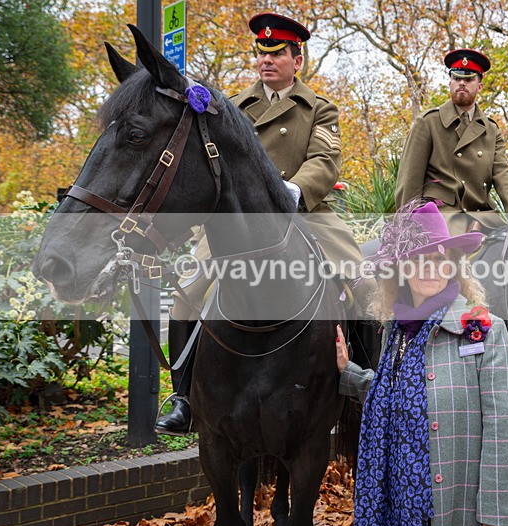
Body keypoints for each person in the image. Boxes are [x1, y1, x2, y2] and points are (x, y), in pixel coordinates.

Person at [155, 12, 370, 435]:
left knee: (361, 282)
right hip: (236, 218)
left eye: (276, 54)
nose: (265, 61)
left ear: (297, 59)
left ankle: (361, 386)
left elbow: (326, 160)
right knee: (187, 298)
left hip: (303, 211)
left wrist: (294, 190)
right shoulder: (232, 107)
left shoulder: (319, 108)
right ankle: (184, 398)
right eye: (260, 53)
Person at [336, 201, 508, 526]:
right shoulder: (395, 331)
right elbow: (397, 396)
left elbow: (505, 425)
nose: (429, 269)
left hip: (455, 508)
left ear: (453, 267)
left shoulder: (483, 328)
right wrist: (349, 373)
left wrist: (498, 514)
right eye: (418, 260)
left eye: (439, 260)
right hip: (399, 505)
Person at [395, 49, 508, 235]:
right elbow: (409, 179)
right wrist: (407, 223)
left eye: (468, 80)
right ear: (450, 82)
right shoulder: (428, 122)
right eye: (456, 78)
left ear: (480, 86)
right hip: (442, 215)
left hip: (482, 214)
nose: (461, 83)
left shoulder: (491, 129)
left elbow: (502, 172)